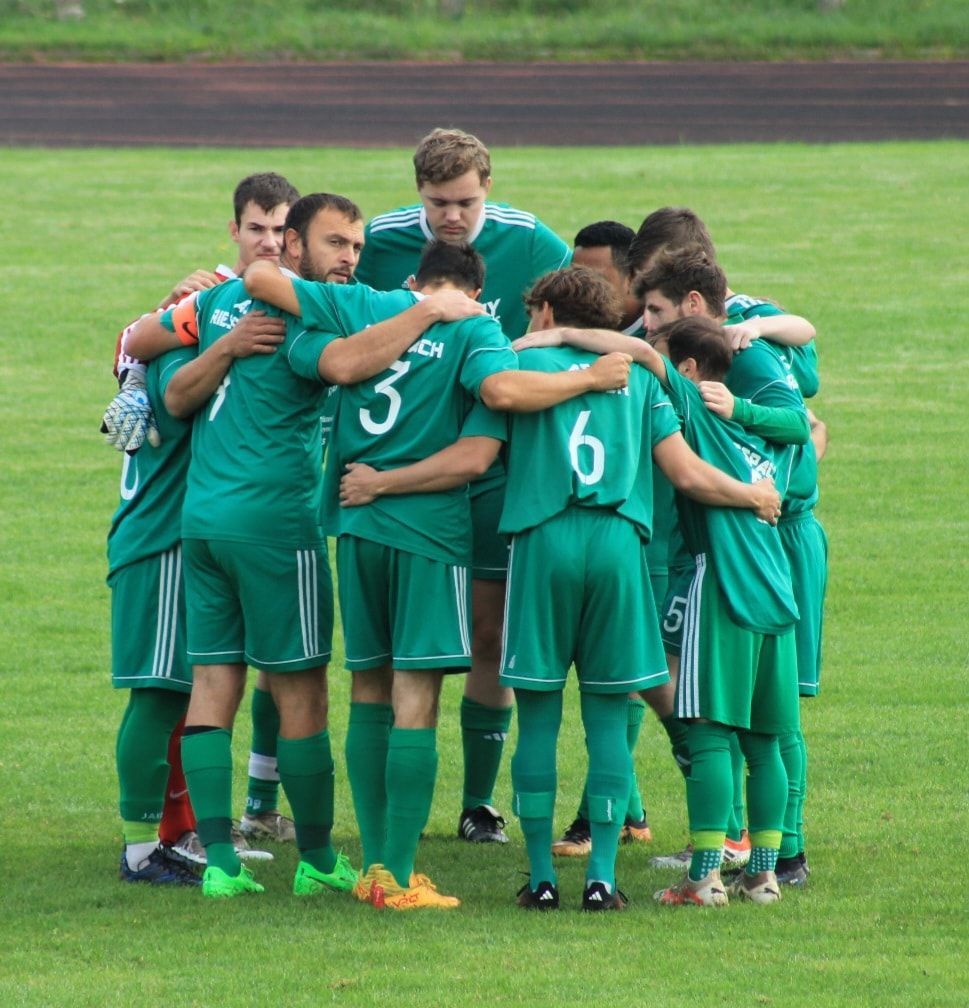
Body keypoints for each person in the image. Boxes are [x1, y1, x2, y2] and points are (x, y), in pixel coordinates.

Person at [244, 242, 632, 910]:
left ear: (415, 279)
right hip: (426, 532)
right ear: (478, 293)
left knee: (367, 688)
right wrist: (589, 378)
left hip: (355, 525)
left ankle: (369, 864)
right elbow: (478, 451)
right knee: (414, 694)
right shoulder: (476, 331)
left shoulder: (371, 304)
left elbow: (269, 286)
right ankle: (394, 876)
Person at [125, 194, 484, 899]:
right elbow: (348, 366)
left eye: (355, 244)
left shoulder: (221, 297)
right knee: (302, 691)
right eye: (334, 243)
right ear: (292, 244)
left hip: (202, 520)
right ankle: (319, 859)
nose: (349, 256)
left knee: (213, 681)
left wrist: (209, 341)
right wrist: (428, 311)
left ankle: (222, 865)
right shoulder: (299, 314)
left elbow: (141, 343)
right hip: (272, 524)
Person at [503, 268, 783, 911]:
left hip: (542, 540)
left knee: (538, 719)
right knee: (607, 717)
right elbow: (685, 472)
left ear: (545, 312)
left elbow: (486, 433)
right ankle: (602, 876)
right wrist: (752, 495)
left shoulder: (519, 372)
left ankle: (541, 876)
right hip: (618, 548)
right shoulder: (643, 377)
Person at [355, 127, 573, 845]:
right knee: (377, 657)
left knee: (489, 631)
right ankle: (295, 799)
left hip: (494, 471)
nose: (452, 216)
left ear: (489, 188)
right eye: (438, 202)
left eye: (467, 202)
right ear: (417, 193)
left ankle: (477, 804)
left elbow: (575, 312)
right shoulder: (380, 243)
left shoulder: (532, 241)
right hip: (401, 469)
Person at [108, 172, 299, 882]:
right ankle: (140, 849)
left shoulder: (231, 308)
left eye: (283, 231)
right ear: (235, 231)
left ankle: (185, 833)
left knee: (200, 690)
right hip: (158, 539)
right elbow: (164, 379)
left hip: (198, 534)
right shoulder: (196, 315)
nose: (271, 242)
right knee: (160, 693)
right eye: (258, 228)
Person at [552, 221, 654, 856]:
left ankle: (601, 818)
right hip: (626, 530)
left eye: (594, 275)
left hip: (648, 533)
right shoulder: (623, 349)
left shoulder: (653, 344)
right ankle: (627, 812)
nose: (584, 285)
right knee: (625, 679)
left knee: (634, 682)